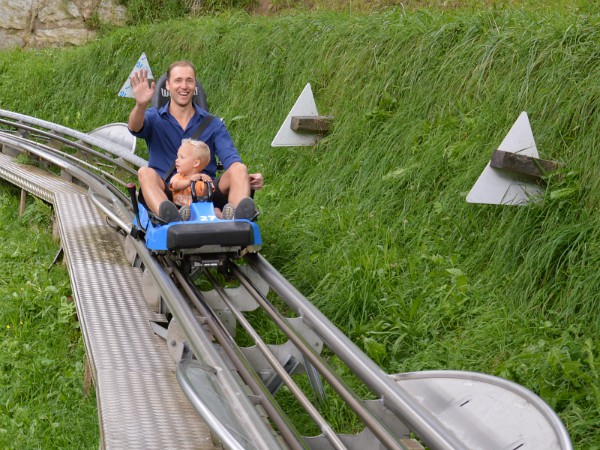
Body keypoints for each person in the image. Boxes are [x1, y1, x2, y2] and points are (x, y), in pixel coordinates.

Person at [128, 60, 263, 222]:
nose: (184, 86)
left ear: (195, 86)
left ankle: (237, 219)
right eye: (178, 80)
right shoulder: (154, 117)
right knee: (145, 172)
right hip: (168, 192)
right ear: (168, 85)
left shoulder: (213, 124)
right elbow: (135, 127)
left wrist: (246, 179)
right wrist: (141, 105)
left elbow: (232, 161)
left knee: (240, 169)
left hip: (205, 192)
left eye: (189, 81)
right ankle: (168, 217)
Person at [169, 138, 213, 220]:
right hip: (179, 209)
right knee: (173, 210)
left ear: (196, 163)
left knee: (215, 210)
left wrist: (207, 184)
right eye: (177, 156)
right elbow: (175, 185)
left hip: (198, 212)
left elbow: (205, 196)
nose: (176, 160)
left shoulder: (201, 180)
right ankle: (183, 216)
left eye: (182, 157)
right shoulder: (178, 177)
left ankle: (226, 217)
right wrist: (189, 182)